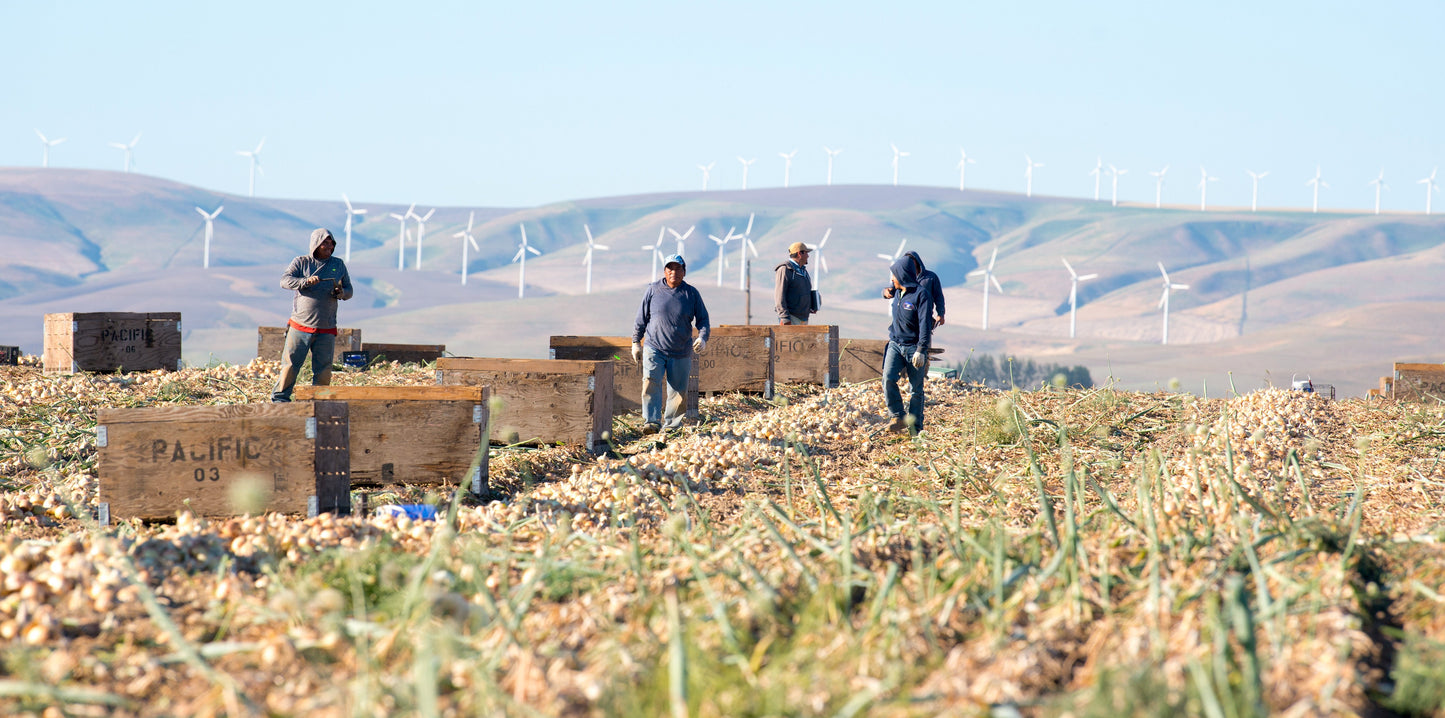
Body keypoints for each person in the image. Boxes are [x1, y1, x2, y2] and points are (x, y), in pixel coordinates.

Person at [272, 228, 353, 402]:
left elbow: (349, 290)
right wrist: (304, 282)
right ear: (316, 244)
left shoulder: (338, 265)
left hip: (326, 327)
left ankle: (318, 402)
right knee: (291, 365)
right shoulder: (301, 262)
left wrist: (341, 293)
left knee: (323, 369)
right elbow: (284, 281)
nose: (329, 246)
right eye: (325, 242)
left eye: (331, 243)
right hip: (300, 326)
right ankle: (280, 400)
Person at [632, 254, 710, 433]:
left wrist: (703, 337)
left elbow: (703, 320)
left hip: (681, 350)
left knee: (678, 391)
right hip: (654, 347)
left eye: (678, 268)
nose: (674, 272)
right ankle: (651, 423)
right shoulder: (653, 290)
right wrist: (636, 342)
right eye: (670, 268)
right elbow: (641, 319)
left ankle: (672, 426)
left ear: (684, 272)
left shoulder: (691, 293)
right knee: (651, 382)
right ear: (665, 271)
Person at [883, 255, 934, 433]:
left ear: (903, 275)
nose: (891, 279)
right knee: (888, 378)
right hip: (895, 343)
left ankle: (915, 429)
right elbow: (887, 291)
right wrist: (885, 292)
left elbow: (925, 325)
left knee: (916, 389)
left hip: (914, 347)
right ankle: (897, 415)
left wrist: (921, 349)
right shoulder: (897, 291)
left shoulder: (921, 295)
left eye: (894, 275)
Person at [882, 250, 945, 327]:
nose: (910, 264)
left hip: (924, 318)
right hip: (905, 320)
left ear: (917, 262)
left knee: (923, 337)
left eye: (911, 261)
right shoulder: (902, 276)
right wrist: (886, 292)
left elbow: (939, 297)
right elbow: (892, 289)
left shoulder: (931, 278)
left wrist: (941, 314)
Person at [774, 241, 817, 325]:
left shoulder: (803, 271)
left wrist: (811, 305)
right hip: (791, 318)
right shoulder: (785, 269)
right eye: (806, 253)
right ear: (799, 254)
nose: (808, 256)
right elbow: (779, 295)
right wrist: (784, 317)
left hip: (803, 318)